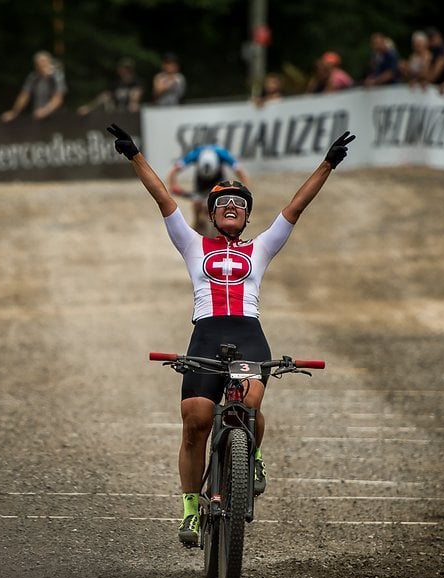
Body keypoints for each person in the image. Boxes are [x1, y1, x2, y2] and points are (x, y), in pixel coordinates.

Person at [106, 122, 355, 546]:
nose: (233, 207)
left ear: (247, 215)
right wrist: (135, 155)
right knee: (195, 422)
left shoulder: (261, 247)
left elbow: (296, 206)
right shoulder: (191, 243)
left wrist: (328, 164)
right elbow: (163, 197)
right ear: (212, 210)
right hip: (205, 335)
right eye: (224, 203)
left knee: (250, 405)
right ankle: (190, 511)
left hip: (248, 334)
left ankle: (251, 457)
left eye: (240, 204)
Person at [167, 144, 253, 235]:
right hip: (201, 182)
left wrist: (244, 189)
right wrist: (173, 185)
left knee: (219, 204)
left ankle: (219, 228)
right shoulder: (196, 154)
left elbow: (240, 171)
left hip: (217, 180)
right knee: (197, 204)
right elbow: (174, 170)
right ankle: (197, 224)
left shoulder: (222, 154)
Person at [2, 50, 67, 121]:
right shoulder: (33, 78)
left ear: (49, 63)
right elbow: (24, 95)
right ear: (36, 66)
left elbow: (58, 98)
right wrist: (14, 112)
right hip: (38, 116)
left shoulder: (56, 76)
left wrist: (45, 111)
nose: (44, 68)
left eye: (45, 64)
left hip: (56, 117)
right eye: (41, 65)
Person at [77, 58, 143, 116]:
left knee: (134, 106)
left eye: (128, 69)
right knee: (105, 99)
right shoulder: (116, 84)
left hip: (131, 113)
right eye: (124, 68)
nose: (126, 71)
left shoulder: (137, 83)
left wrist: (132, 103)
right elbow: (105, 96)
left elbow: (136, 96)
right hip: (116, 112)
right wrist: (90, 107)